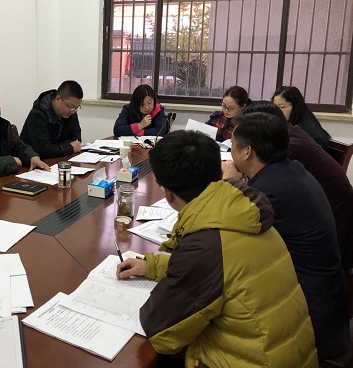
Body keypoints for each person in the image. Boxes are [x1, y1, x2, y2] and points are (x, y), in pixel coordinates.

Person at [116, 130, 317, 367]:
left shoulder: (206, 244)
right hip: (290, 355)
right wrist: (153, 265)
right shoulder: (244, 212)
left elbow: (164, 334)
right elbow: (226, 268)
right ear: (219, 174)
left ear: (166, 193)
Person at [222, 113, 350, 360]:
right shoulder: (290, 170)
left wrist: (229, 184)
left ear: (247, 152)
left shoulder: (269, 190)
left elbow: (227, 233)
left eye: (233, 145)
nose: (230, 152)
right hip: (323, 303)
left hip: (309, 320)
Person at [242, 101, 353, 270]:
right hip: (322, 220)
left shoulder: (290, 148)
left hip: (336, 221)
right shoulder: (291, 137)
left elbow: (250, 213)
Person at [20, 80, 82, 158]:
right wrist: (69, 147)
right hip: (33, 161)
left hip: (59, 158)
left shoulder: (70, 112)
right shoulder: (38, 115)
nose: (72, 111)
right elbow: (44, 150)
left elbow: (76, 140)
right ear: (58, 99)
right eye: (71, 106)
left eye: (76, 108)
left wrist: (58, 148)